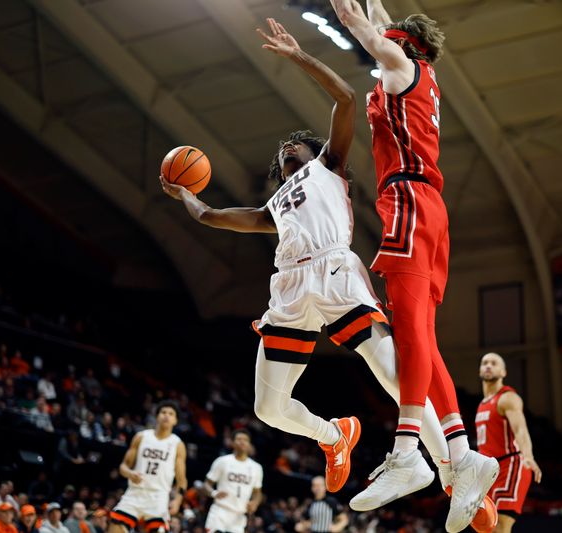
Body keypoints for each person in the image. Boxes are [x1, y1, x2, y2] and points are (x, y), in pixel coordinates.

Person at [160, 17, 450, 501]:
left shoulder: (329, 166)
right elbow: (210, 215)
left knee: (394, 374)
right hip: (290, 289)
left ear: (312, 151)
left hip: (335, 272)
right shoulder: (272, 206)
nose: (284, 150)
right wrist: (184, 194)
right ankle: (335, 437)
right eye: (281, 152)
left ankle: (446, 464)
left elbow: (346, 99)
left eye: (292, 145)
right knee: (268, 408)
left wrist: (296, 55)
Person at [328, 1, 498, 529]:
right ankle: (462, 454)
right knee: (421, 335)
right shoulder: (416, 72)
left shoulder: (405, 68)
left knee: (408, 332)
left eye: (392, 39)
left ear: (406, 45)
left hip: (410, 200)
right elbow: (381, 21)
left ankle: (407, 452)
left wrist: (347, 12)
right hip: (425, 207)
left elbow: (369, 31)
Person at [475, 353, 542, 533]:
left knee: (501, 525)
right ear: (480, 370)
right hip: (489, 472)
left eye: (494, 363)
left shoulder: (508, 398)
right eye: (485, 363)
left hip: (510, 464)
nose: (488, 366)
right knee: (485, 528)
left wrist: (528, 456)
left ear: (503, 372)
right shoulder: (482, 404)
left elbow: (520, 430)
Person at [107, 401, 186, 533]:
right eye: (163, 412)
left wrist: (177, 501)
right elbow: (123, 466)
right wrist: (130, 474)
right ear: (157, 416)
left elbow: (181, 479)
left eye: (171, 414)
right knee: (115, 527)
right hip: (135, 493)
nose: (166, 416)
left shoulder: (177, 444)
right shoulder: (141, 436)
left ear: (175, 420)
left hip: (158, 496)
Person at [202, 429, 263, 533]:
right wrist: (214, 493)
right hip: (220, 510)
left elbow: (257, 492)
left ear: (249, 444)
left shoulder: (257, 468)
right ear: (232, 443)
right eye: (239, 439)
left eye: (245, 440)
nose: (242, 442)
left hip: (239, 515)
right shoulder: (222, 461)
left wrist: (255, 503)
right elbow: (206, 484)